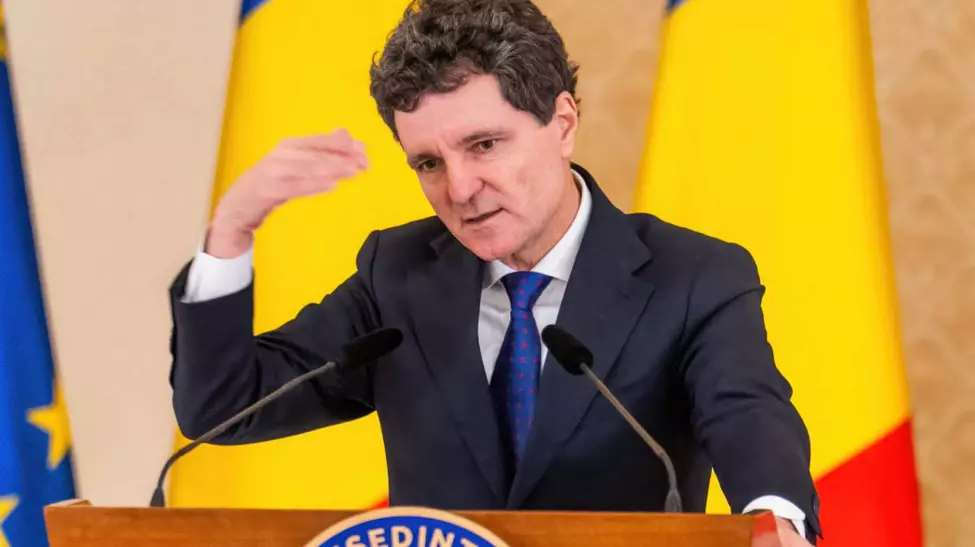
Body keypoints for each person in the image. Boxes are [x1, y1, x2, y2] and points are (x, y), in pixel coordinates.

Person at [168, 0, 820, 544]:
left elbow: (746, 415)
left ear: (562, 123)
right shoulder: (397, 276)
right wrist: (231, 232)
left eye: (483, 145)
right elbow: (222, 407)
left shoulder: (694, 276)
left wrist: (775, 521)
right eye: (428, 163)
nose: (459, 189)